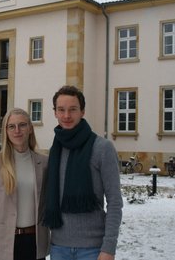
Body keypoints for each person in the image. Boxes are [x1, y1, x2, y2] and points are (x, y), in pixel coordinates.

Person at [42, 85, 123, 260]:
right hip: (58, 247)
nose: (66, 116)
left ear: (82, 111)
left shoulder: (102, 148)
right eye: (61, 110)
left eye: (73, 109)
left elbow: (115, 201)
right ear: (54, 112)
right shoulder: (55, 149)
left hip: (93, 249)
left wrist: (109, 248)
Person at [0, 108, 50, 260]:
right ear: (5, 130)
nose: (17, 130)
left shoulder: (43, 162)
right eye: (11, 126)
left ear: (30, 128)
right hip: (3, 243)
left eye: (22, 125)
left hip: (35, 242)